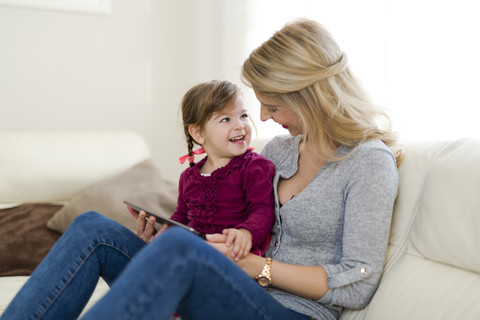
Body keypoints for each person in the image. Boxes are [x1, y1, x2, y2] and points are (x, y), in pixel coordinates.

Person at [1, 18, 402, 320]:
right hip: (228, 287)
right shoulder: (280, 150)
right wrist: (170, 233)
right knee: (94, 228)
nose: (261, 117)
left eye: (273, 106)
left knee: (182, 251)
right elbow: (227, 207)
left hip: (289, 312)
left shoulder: (367, 162)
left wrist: (255, 266)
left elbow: (359, 280)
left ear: (310, 95)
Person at [129, 80, 276, 258]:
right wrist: (161, 233)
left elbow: (263, 209)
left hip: (233, 259)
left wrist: (246, 233)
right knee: (98, 225)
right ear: (198, 134)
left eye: (243, 115)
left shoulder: (256, 167)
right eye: (226, 119)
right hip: (193, 256)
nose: (240, 125)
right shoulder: (188, 177)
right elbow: (182, 216)